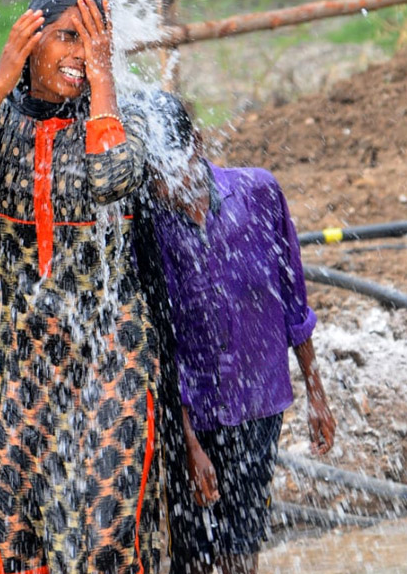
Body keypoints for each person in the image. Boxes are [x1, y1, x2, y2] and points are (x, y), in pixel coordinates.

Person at [0, 0, 160, 574]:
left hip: (113, 356)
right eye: (68, 38)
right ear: (30, 41)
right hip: (29, 359)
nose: (82, 53)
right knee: (20, 531)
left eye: (96, 40)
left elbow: (110, 182)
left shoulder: (122, 122)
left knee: (105, 537)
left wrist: (103, 82)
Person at [144, 93, 336, 574]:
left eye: (174, 171)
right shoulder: (151, 226)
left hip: (259, 401)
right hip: (195, 412)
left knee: (241, 545)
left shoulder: (258, 193)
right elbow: (162, 340)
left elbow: (294, 299)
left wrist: (316, 393)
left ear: (197, 148)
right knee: (193, 552)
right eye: (155, 177)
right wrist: (189, 443)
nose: (168, 187)